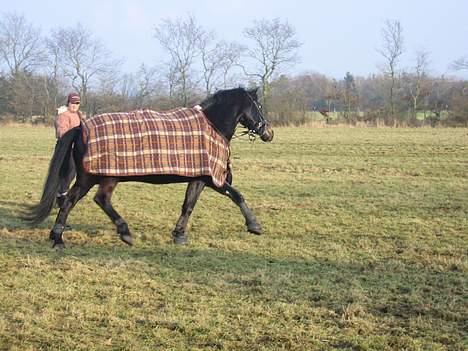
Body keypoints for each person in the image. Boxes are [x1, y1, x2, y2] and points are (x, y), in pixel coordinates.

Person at [54, 92, 83, 207]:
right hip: (65, 148)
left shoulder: (78, 115)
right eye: (72, 103)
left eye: (77, 103)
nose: (75, 105)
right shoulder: (63, 115)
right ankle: (61, 194)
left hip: (75, 148)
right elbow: (62, 132)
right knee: (68, 171)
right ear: (68, 103)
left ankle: (61, 194)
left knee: (73, 171)